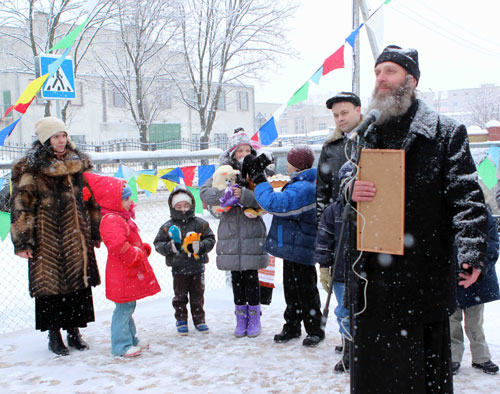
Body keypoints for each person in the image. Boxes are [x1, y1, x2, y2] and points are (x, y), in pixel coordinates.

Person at [345, 45, 489, 393]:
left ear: (411, 80)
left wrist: (471, 254)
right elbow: (345, 182)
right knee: (376, 370)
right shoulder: (367, 131)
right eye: (378, 72)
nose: (381, 79)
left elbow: (468, 200)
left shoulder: (445, 132)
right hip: (373, 279)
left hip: (422, 273)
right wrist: (351, 189)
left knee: (421, 373)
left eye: (390, 72)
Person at [10, 116, 102, 356]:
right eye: (55, 137)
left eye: (63, 135)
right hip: (46, 239)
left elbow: (90, 200)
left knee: (76, 286)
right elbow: (21, 205)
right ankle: (54, 335)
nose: (61, 141)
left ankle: (74, 332)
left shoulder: (76, 164)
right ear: (45, 140)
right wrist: (23, 241)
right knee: (51, 287)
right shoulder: (31, 168)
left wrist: (94, 231)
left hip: (77, 237)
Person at [243, 144, 325, 347]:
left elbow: (275, 204)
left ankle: (315, 329)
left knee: (306, 289)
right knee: (292, 289)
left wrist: (260, 180)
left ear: (296, 165)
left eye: (288, 162)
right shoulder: (301, 182)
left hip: (302, 246)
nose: (286, 166)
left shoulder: (305, 187)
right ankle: (292, 326)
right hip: (293, 246)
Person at [84, 173, 161, 357]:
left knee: (128, 307)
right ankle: (120, 345)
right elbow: (118, 245)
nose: (130, 202)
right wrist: (136, 253)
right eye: (126, 199)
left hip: (127, 272)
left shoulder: (121, 218)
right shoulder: (112, 220)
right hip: (122, 272)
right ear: (113, 202)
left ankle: (130, 339)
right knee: (123, 309)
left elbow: (128, 241)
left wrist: (141, 249)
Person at [200, 131, 268, 338]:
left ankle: (255, 317)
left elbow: (267, 197)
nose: (244, 154)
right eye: (240, 150)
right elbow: (204, 193)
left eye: (248, 150)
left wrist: (245, 195)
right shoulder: (222, 171)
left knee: (252, 276)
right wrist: (226, 194)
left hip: (251, 232)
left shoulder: (259, 172)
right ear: (232, 153)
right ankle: (240, 318)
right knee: (236, 277)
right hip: (230, 233)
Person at [316, 91, 362, 372]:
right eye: (335, 115)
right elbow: (322, 192)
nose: (340, 119)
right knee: (343, 296)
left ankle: (366, 345)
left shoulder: (375, 138)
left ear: (358, 110)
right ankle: (348, 346)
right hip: (338, 227)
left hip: (372, 227)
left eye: (345, 112)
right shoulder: (331, 147)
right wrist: (325, 234)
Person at [154, 186, 215, 335]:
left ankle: (199, 319)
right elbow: (158, 244)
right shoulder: (167, 227)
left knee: (197, 296)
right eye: (179, 206)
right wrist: (170, 247)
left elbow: (211, 239)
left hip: (197, 267)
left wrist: (201, 246)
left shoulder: (200, 224)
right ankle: (181, 319)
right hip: (178, 268)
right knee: (180, 296)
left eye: (186, 205)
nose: (183, 209)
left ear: (192, 205)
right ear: (173, 207)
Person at [450, 210, 499, 375]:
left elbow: (492, 243)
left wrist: (478, 265)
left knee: (475, 323)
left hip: (477, 279)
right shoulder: (447, 211)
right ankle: (452, 357)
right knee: (451, 321)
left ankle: (481, 358)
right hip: (451, 277)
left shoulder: (483, 214)